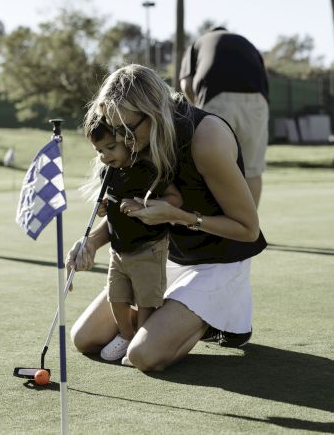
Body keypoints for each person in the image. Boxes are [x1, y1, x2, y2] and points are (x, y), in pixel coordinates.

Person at [65, 64, 267, 372]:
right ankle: (174, 318)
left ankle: (215, 319)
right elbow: (130, 209)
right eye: (116, 130)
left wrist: (177, 215)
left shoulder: (206, 138)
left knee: (143, 355)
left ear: (154, 111)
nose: (123, 140)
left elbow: (248, 229)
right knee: (85, 338)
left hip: (218, 261)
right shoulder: (139, 138)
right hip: (164, 257)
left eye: (128, 130)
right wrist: (91, 241)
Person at [85, 118, 183, 364]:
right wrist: (106, 208)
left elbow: (175, 200)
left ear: (127, 141)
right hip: (119, 250)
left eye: (110, 148)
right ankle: (128, 335)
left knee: (146, 301)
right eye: (99, 151)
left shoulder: (146, 170)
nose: (105, 156)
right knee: (116, 297)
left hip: (148, 248)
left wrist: (143, 205)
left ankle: (142, 339)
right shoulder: (107, 172)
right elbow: (116, 202)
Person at [179, 27, 269, 208]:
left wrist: (198, 111)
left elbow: (186, 83)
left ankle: (217, 228)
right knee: (252, 170)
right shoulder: (246, 43)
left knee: (212, 167)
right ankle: (249, 231)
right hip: (258, 101)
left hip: (216, 98)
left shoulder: (198, 43)